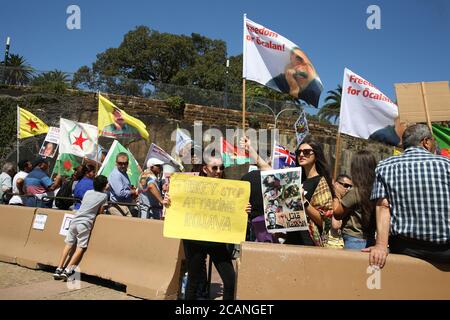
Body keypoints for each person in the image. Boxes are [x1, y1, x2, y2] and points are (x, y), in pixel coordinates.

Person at [165, 147, 250, 300]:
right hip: (195, 240)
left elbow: (235, 210)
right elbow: (179, 202)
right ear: (205, 169)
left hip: (217, 241)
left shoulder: (229, 189)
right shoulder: (191, 185)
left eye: (221, 168)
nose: (219, 171)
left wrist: (244, 208)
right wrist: (169, 202)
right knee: (193, 281)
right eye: (215, 167)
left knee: (230, 281)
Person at [364, 124, 450, 268]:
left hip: (405, 248)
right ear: (426, 142)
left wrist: (380, 245)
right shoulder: (447, 165)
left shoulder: (384, 166)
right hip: (445, 250)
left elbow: (383, 206)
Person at [53, 175, 109, 281]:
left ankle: (59, 268)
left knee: (68, 244)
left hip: (75, 219)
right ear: (104, 185)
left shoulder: (88, 192)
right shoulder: (104, 196)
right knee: (81, 247)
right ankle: (68, 270)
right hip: (85, 223)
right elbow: (100, 211)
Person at [284, 136, 334, 246]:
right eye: (299, 152)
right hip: (290, 240)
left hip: (308, 243)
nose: (301, 155)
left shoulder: (321, 182)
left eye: (306, 152)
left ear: (316, 155)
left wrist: (303, 201)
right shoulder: (296, 180)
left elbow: (325, 222)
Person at [333, 152, 377, 250]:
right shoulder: (376, 190)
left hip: (354, 240)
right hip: (370, 240)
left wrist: (336, 196)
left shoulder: (356, 192)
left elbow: (337, 214)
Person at [108, 152, 139, 217]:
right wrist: (132, 192)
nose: (123, 165)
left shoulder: (123, 172)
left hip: (124, 206)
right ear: (116, 163)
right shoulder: (116, 174)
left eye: (125, 163)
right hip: (118, 206)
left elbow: (125, 188)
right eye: (120, 163)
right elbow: (120, 193)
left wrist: (131, 190)